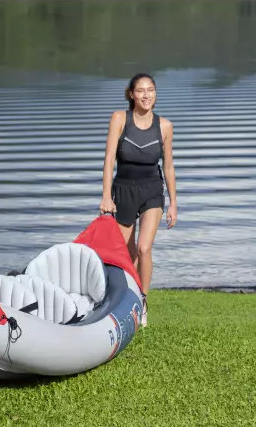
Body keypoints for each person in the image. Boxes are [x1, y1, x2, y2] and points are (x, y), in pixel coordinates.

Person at [99, 73, 177, 327]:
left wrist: (173, 203)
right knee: (126, 253)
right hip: (123, 190)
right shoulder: (119, 119)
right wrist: (106, 196)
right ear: (131, 94)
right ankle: (126, 298)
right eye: (141, 91)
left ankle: (142, 300)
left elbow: (168, 167)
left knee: (144, 248)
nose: (146, 95)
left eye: (150, 90)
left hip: (152, 191)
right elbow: (109, 159)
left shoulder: (164, 126)